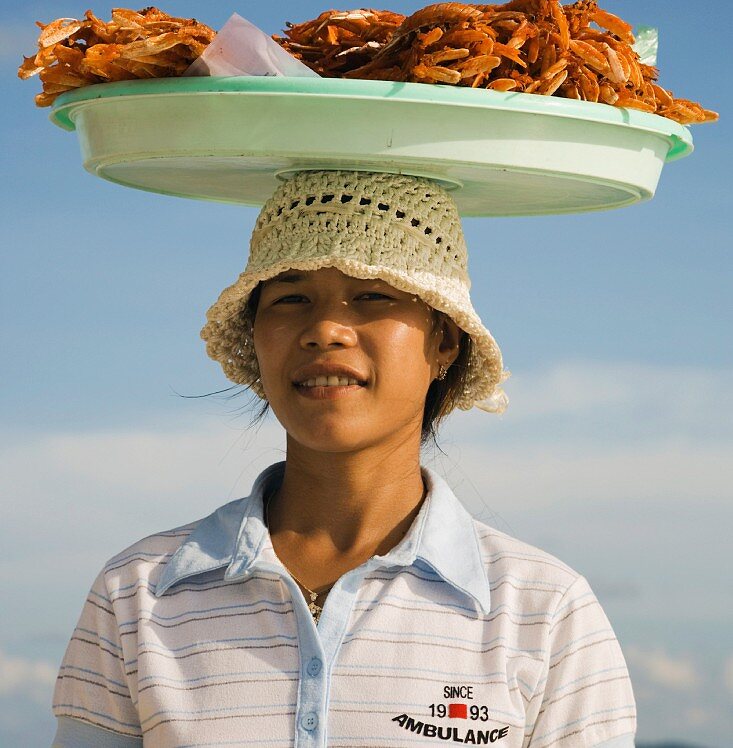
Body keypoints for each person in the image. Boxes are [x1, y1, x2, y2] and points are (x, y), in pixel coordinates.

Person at [51, 170, 637, 748]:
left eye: (373, 294)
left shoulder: (542, 609)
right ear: (256, 337)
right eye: (291, 298)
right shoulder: (139, 592)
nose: (325, 329)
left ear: (444, 342)